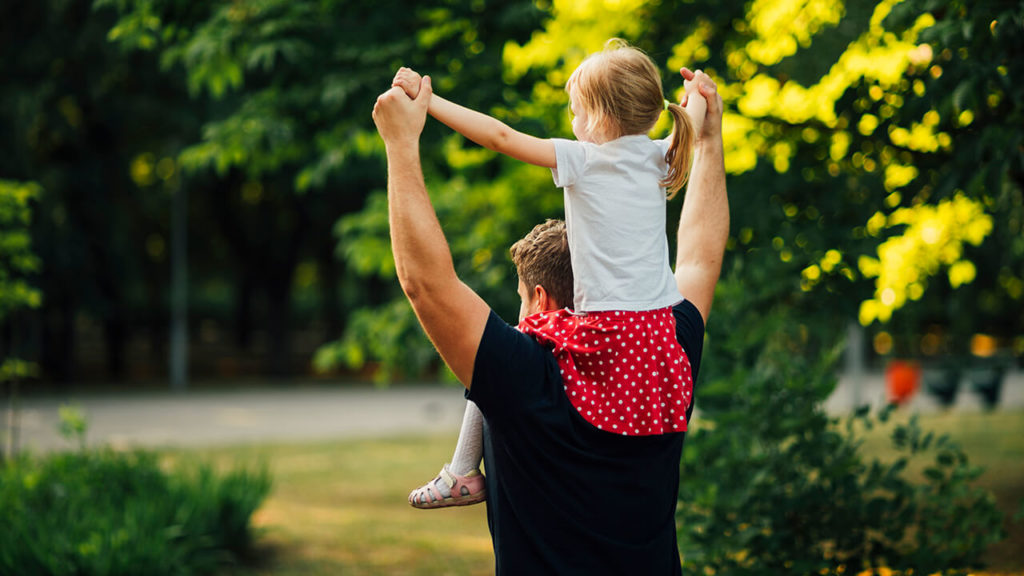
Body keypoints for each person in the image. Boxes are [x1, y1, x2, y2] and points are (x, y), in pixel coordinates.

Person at [372, 64, 727, 574]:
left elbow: (426, 285)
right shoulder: (668, 354)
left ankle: (458, 472)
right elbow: (698, 260)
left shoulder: (525, 377)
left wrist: (403, 142)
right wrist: (708, 132)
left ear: (539, 298)